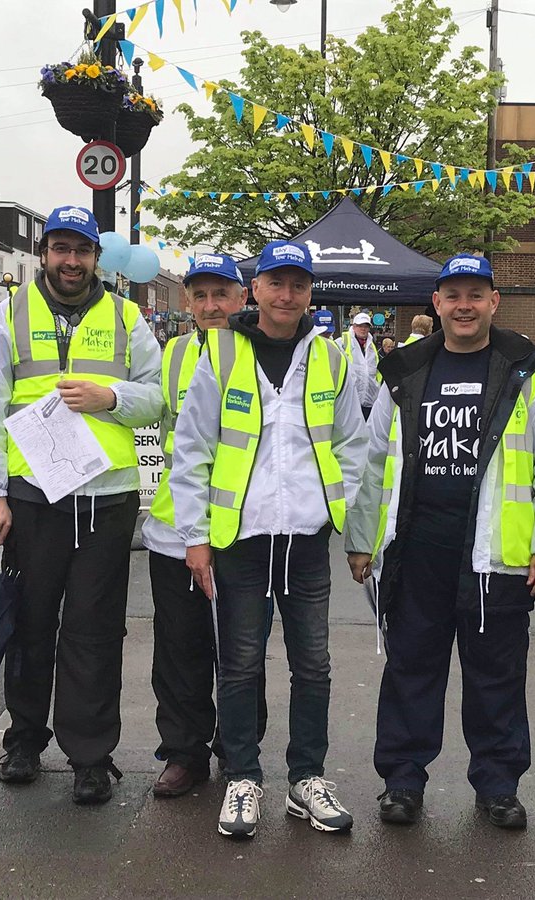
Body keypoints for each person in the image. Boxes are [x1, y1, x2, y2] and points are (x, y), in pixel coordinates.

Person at [346, 253, 535, 831]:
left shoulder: (523, 367)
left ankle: (498, 786)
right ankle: (402, 781)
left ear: (494, 302)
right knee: (410, 670)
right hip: (417, 551)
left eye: (476, 295)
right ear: (438, 304)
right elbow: (375, 463)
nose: (465, 305)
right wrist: (361, 540)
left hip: (494, 558)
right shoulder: (406, 368)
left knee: (496, 676)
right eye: (453, 295)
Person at [169, 240, 367, 840]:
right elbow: (193, 446)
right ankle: (243, 780)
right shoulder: (222, 353)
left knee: (314, 666)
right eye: (275, 284)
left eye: (298, 285)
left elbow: (354, 445)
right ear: (254, 290)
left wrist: (338, 513)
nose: (287, 296)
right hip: (242, 542)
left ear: (310, 292)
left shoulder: (333, 357)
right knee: (240, 665)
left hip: (305, 541)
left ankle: (307, 779)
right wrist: (196, 536)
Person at [0, 205, 164, 806]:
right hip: (34, 501)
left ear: (95, 258)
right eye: (61, 249)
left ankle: (90, 755)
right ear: (45, 254)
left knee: (95, 632)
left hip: (106, 502)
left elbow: (157, 398)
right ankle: (24, 741)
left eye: (81, 251)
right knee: (29, 627)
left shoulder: (129, 317)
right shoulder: (10, 315)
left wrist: (111, 395)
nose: (71, 261)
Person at [141, 252, 267, 798]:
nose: (212, 306)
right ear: (188, 302)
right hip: (176, 531)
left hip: (242, 528)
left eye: (223, 294)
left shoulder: (262, 353)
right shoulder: (171, 354)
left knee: (242, 651)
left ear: (243, 299)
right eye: (201, 296)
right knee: (179, 649)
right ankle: (184, 751)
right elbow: (156, 420)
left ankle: (239, 747)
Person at [337, 312, 380, 418]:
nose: (363, 329)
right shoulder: (342, 342)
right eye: (360, 326)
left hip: (369, 401)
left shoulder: (371, 346)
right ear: (354, 326)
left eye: (366, 326)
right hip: (349, 401)